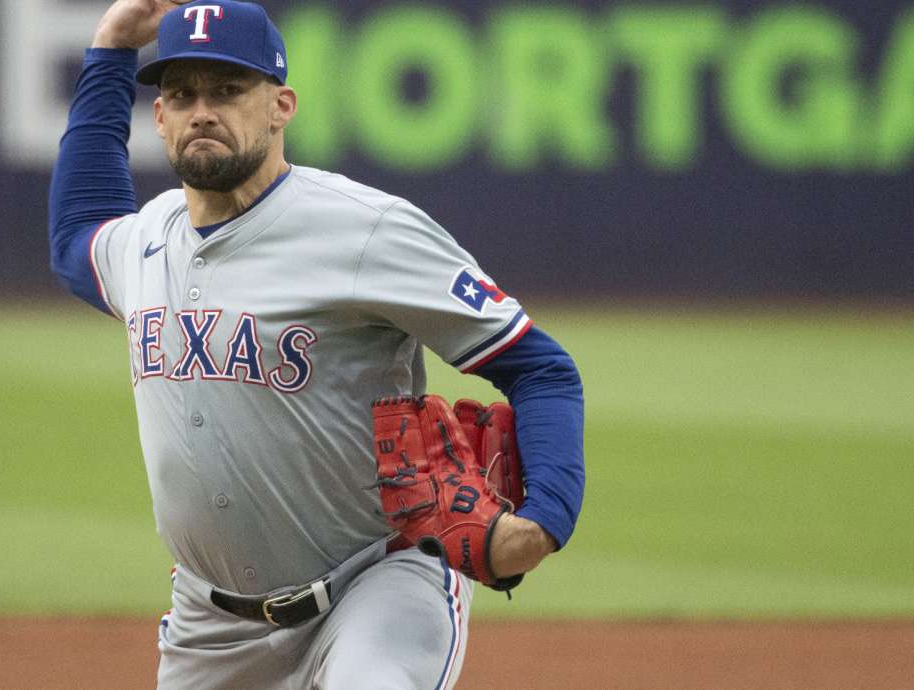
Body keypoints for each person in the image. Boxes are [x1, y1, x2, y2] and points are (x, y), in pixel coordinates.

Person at [48, 1, 585, 687]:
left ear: (282, 105)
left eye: (228, 89)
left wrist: (542, 523)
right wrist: (112, 47)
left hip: (377, 584)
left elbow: (540, 367)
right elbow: (76, 239)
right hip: (210, 627)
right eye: (181, 94)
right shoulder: (147, 239)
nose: (202, 111)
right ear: (158, 118)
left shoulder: (363, 230)